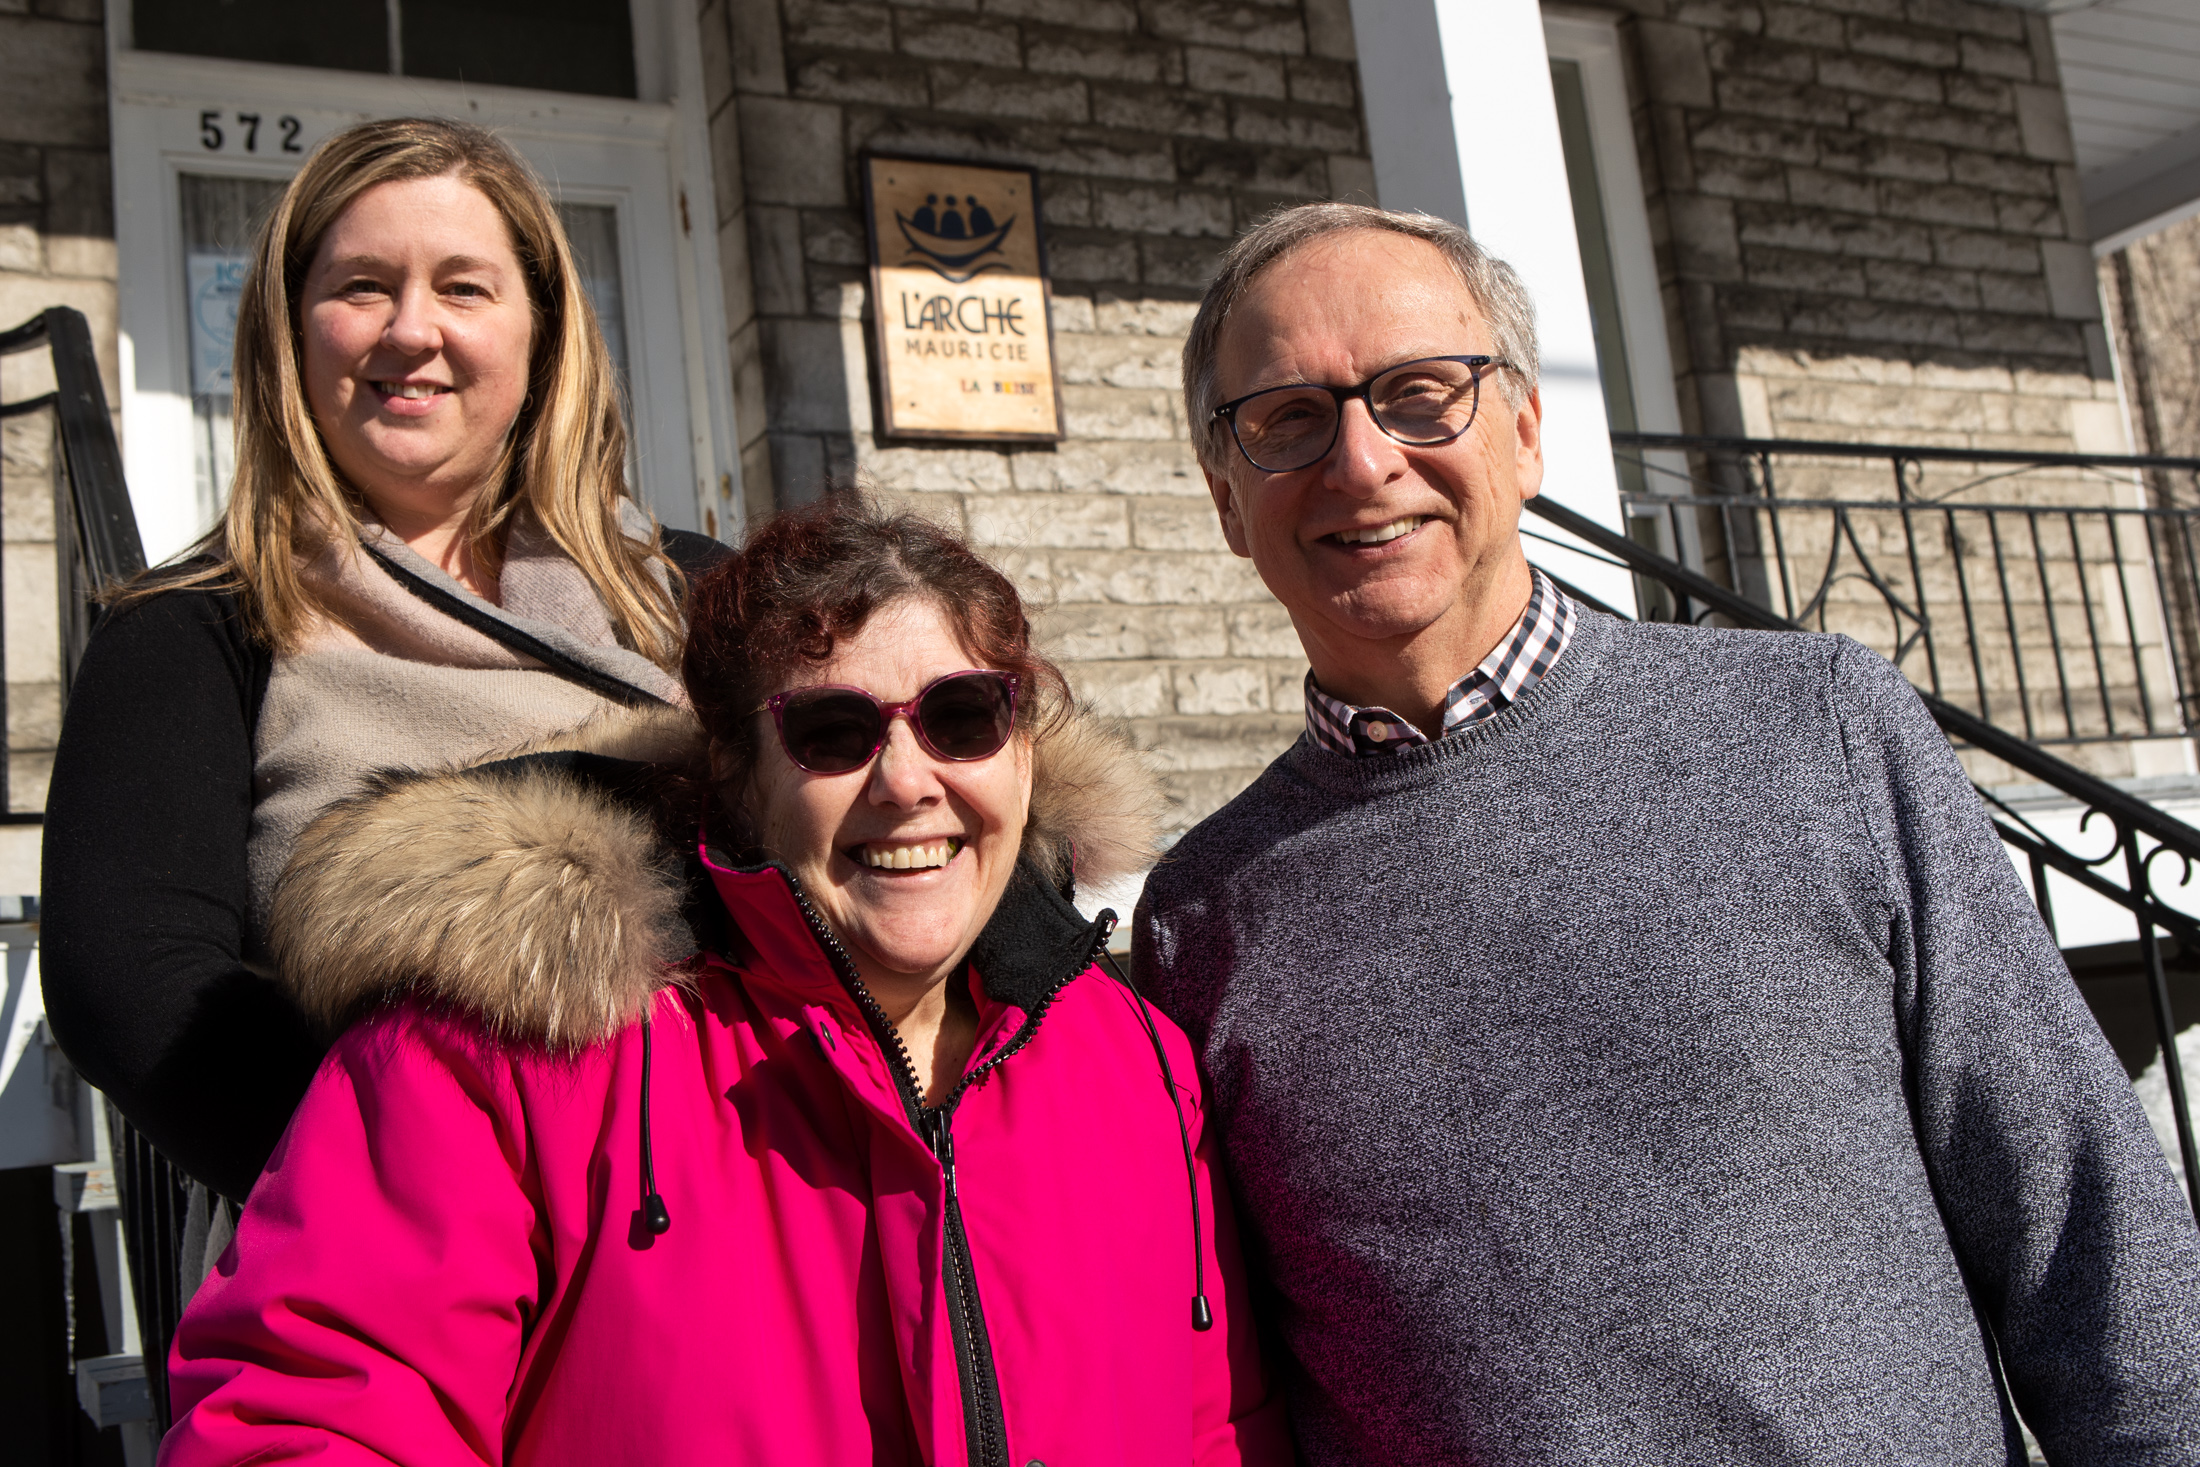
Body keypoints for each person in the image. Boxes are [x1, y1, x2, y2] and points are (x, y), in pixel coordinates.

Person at [1135, 201, 2200, 1465]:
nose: (1362, 461)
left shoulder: (1816, 730)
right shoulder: (1201, 915)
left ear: (1524, 434)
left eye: (1422, 394)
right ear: (1222, 497)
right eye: (1287, 419)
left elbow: (2089, 1233)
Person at [159, 495, 1289, 1465]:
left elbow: (1220, 1426)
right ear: (738, 779)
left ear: (1024, 746)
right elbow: (309, 1413)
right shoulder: (510, 1049)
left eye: (961, 718)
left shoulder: (1139, 1062)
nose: (908, 783)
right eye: (833, 732)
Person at [42, 118, 726, 1210]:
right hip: (414, 1269)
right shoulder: (192, 633)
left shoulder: (697, 595)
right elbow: (133, 989)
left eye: (464, 287)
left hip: (744, 1215)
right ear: (290, 331)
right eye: (362, 285)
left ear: (541, 333)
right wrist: (435, 1211)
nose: (412, 332)